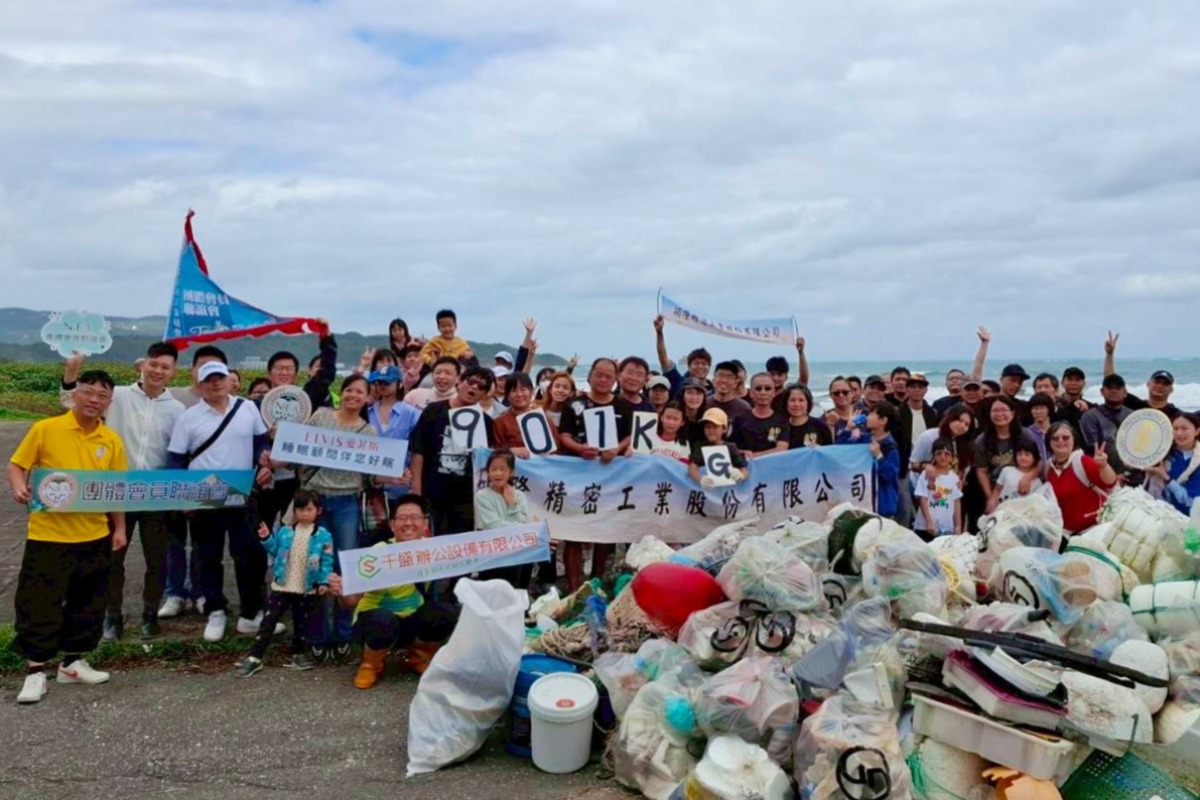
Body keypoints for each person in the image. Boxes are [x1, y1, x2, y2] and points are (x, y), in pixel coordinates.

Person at [7, 369, 127, 705]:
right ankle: (34, 672)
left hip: (94, 534)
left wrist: (118, 528)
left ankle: (72, 662)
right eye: (88, 392)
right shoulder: (46, 429)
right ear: (75, 393)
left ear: (109, 402)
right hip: (49, 535)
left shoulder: (111, 440)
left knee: (88, 602)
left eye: (102, 395)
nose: (93, 400)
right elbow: (17, 465)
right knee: (40, 602)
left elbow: (115, 490)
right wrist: (19, 487)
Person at [60, 345, 186, 642]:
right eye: (154, 364)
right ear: (144, 364)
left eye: (165, 367)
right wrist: (71, 371)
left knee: (157, 561)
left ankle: (149, 615)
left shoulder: (178, 409)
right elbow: (72, 405)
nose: (158, 371)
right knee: (113, 559)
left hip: (156, 494)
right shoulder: (117, 397)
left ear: (173, 371)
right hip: (116, 491)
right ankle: (112, 616)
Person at [166, 359, 274, 643]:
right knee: (207, 556)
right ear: (200, 385)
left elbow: (261, 443)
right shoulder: (189, 417)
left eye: (220, 378)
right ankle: (216, 610)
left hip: (242, 492)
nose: (216, 383)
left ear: (230, 380)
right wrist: (184, 497)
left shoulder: (247, 408)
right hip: (205, 495)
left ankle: (251, 614)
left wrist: (264, 464)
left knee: (249, 555)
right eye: (209, 379)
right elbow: (176, 460)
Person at [330, 496, 459, 686]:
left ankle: (417, 657)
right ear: (392, 525)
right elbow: (350, 602)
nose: (408, 523)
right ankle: (370, 665)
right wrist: (342, 591)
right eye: (402, 518)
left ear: (425, 523)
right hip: (375, 622)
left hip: (411, 620)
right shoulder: (377, 553)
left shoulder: (433, 551)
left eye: (415, 517)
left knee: (445, 613)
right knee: (382, 620)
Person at [299, 375, 375, 661]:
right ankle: (318, 635)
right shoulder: (321, 416)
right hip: (314, 502)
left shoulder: (367, 432)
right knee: (316, 567)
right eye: (349, 390)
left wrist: (395, 476)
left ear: (367, 398)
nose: (353, 395)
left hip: (347, 503)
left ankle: (344, 633)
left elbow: (372, 475)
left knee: (347, 569)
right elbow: (294, 448)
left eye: (360, 392)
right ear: (340, 393)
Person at [236, 490, 334, 676]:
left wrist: (323, 581)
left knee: (301, 623)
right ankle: (254, 657)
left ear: (318, 511)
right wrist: (266, 538)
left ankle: (298, 654)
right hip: (282, 585)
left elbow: (327, 561)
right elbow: (275, 550)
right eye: (300, 509)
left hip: (306, 587)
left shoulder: (324, 536)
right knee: (268, 621)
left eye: (309, 509)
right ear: (294, 511)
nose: (305, 513)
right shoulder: (285, 532)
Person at [558, 358, 632, 588]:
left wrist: (617, 449)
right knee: (574, 532)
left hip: (610, 478)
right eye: (598, 374)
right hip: (578, 476)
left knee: (603, 532)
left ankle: (597, 585)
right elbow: (564, 435)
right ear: (589, 375)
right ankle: (573, 589)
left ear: (615, 379)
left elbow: (630, 436)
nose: (602, 380)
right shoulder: (574, 405)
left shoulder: (623, 406)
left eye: (608, 376)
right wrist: (579, 449)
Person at [410, 366, 496, 537]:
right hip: (432, 494)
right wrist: (416, 493)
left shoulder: (486, 422)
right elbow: (418, 452)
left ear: (485, 394)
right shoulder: (433, 411)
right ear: (459, 382)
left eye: (481, 386)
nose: (473, 388)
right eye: (470, 382)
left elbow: (487, 462)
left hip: (466, 499)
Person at [475, 449, 534, 589]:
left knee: (517, 590)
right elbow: (493, 526)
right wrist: (520, 527)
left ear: (511, 472)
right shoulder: (482, 496)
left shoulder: (518, 495)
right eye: (493, 469)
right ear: (488, 472)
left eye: (503, 469)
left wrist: (512, 505)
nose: (498, 473)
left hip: (518, 553)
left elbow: (526, 523)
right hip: (493, 553)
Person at [1044, 422, 1117, 535]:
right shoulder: (1048, 467)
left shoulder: (1083, 461)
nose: (1061, 441)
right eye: (1055, 438)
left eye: (1066, 437)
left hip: (1092, 530)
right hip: (1064, 532)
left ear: (1074, 439)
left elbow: (1110, 483)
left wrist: (1103, 466)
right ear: (1049, 442)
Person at [975, 396, 1038, 514]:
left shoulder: (1025, 434)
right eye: (995, 411)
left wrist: (1028, 477)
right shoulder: (982, 440)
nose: (999, 414)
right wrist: (991, 498)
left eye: (1004, 410)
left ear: (1013, 413)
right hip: (996, 488)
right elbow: (982, 471)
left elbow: (1039, 462)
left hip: (1023, 486)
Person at [1103, 331, 1183, 420]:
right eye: (1157, 382)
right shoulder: (1136, 405)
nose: (1160, 386)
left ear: (1171, 389)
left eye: (1165, 384)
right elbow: (1110, 381)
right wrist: (1109, 354)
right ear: (1148, 384)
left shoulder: (1177, 415)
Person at [896, 371, 938, 525]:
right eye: (912, 386)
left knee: (930, 508)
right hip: (904, 468)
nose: (917, 390)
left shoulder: (933, 413)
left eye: (920, 387)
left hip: (928, 468)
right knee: (905, 509)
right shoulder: (898, 413)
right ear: (907, 390)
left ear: (925, 390)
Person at [1079, 374, 1137, 483]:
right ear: (1102, 391)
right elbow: (1091, 451)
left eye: (1117, 388)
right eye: (1109, 387)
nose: (1113, 391)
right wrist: (1110, 475)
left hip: (1132, 474)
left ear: (1125, 392)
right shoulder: (1090, 417)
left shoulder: (1133, 416)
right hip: (1103, 476)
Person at [493, 372, 560, 457]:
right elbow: (495, 453)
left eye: (523, 389)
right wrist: (510, 451)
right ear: (507, 395)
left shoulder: (545, 419)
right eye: (514, 390)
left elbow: (557, 450)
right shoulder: (500, 422)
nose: (519, 394)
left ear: (531, 392)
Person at [1147, 413, 1200, 515]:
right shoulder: (1161, 452)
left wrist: (1166, 478)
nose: (1179, 433)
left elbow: (1191, 501)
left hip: (1183, 519)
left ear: (1197, 431)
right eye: (1175, 428)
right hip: (1153, 510)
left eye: (1184, 428)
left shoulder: (1197, 461)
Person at [932, 326, 991, 416]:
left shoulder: (971, 399)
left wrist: (984, 343)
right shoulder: (939, 404)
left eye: (958, 378)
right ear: (946, 384)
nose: (955, 380)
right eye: (951, 379)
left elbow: (978, 367)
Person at [913, 438, 963, 541]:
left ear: (952, 457)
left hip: (946, 528)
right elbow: (922, 499)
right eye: (939, 453)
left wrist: (957, 526)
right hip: (925, 527)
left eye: (947, 454)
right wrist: (929, 522)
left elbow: (956, 502)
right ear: (933, 456)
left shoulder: (954, 478)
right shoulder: (926, 474)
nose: (943, 457)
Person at [729, 372, 789, 456]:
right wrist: (741, 453)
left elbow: (781, 450)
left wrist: (752, 456)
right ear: (751, 393)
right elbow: (730, 449)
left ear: (774, 393)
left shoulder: (782, 420)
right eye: (758, 388)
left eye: (767, 388)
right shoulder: (739, 420)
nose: (763, 392)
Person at [687, 408, 749, 487]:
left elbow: (744, 470)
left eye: (715, 426)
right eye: (707, 427)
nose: (711, 430)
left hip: (726, 493)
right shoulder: (700, 446)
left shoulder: (731, 447)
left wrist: (740, 475)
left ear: (724, 429)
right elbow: (692, 468)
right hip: (707, 492)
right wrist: (700, 479)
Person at [653, 316, 713, 396]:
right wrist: (659, 333)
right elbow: (664, 361)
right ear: (689, 366)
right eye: (696, 363)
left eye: (704, 363)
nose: (700, 366)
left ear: (709, 367)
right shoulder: (679, 383)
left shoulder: (714, 391)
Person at [867, 401, 902, 521]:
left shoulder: (890, 447)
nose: (868, 417)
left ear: (883, 420)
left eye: (872, 414)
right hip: (866, 503)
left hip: (883, 506)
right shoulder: (865, 439)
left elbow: (890, 475)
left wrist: (879, 456)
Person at [779, 384, 832, 448]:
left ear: (808, 403)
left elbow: (829, 451)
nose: (797, 404)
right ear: (786, 403)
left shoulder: (819, 425)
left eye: (801, 400)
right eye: (792, 400)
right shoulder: (780, 427)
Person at [1027, 392, 1056, 461]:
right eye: (1035, 408)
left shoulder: (1057, 431)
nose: (1038, 412)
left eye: (1042, 408)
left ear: (1049, 409)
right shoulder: (1026, 433)